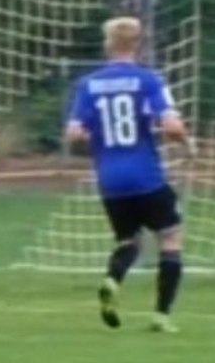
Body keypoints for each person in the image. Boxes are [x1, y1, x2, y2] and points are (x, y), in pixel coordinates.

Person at [65, 17, 193, 333]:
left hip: (110, 181)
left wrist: (95, 139)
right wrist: (188, 144)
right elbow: (173, 127)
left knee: (128, 241)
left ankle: (113, 279)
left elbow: (73, 134)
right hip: (146, 176)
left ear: (108, 45)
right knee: (171, 236)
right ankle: (161, 316)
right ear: (138, 44)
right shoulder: (149, 80)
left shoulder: (88, 85)